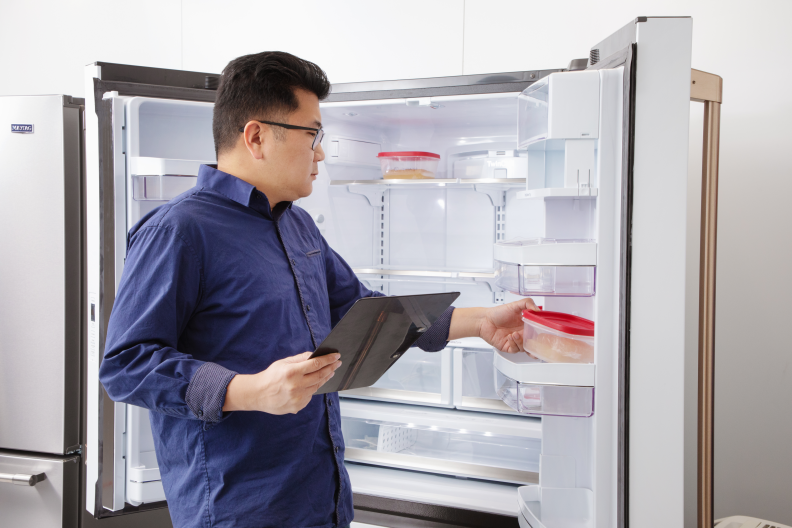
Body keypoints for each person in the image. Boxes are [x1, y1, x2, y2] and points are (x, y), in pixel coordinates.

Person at [99, 51, 536, 528]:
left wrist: (480, 321)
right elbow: (126, 364)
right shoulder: (179, 230)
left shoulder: (297, 225)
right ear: (256, 136)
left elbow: (364, 311)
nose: (321, 153)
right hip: (235, 512)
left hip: (318, 502)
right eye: (313, 135)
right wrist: (248, 390)